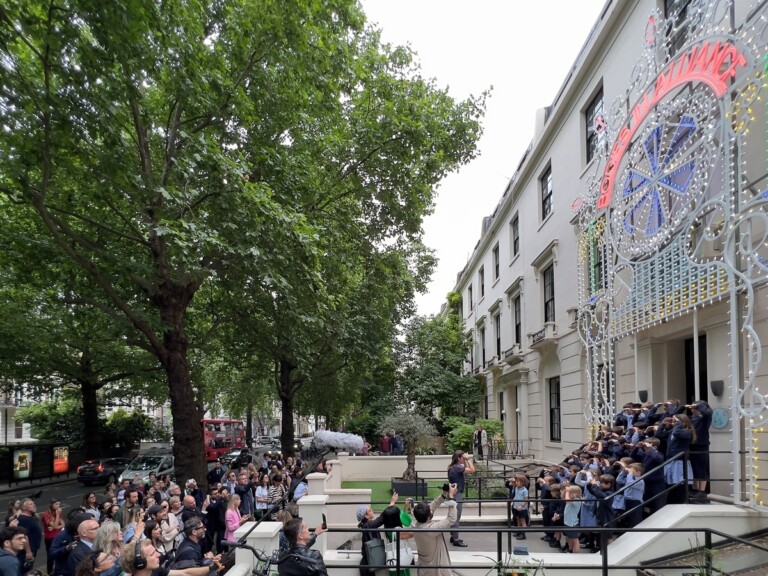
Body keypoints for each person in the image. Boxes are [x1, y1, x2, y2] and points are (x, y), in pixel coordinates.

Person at [410, 483, 458, 576]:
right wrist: (451, 497)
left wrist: (444, 494)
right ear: (429, 516)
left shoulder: (415, 522)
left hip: (423, 569)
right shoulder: (431, 530)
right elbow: (451, 519)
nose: (431, 508)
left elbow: (431, 507)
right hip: (436, 571)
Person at [356, 493, 400, 576]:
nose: (372, 511)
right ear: (366, 516)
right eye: (370, 510)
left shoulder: (367, 525)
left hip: (369, 562)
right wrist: (392, 503)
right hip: (368, 565)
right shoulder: (368, 525)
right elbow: (381, 519)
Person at [119, 538, 211, 576]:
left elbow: (185, 572)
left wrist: (212, 567)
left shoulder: (154, 571)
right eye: (152, 554)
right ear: (140, 563)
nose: (158, 554)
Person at [446, 449, 474, 547]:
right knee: (456, 517)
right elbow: (472, 470)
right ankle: (456, 539)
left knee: (453, 516)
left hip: (452, 494)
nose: (464, 458)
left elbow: (465, 470)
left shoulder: (452, 467)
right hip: (456, 494)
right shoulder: (458, 467)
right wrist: (469, 459)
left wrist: (465, 460)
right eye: (463, 457)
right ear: (459, 458)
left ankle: (453, 536)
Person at [688, 400, 713, 495]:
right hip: (691, 446)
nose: (693, 410)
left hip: (702, 445)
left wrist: (699, 405)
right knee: (693, 468)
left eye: (695, 409)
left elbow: (708, 412)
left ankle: (702, 491)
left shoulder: (704, 419)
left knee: (702, 468)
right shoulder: (691, 419)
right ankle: (694, 489)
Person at [16, 499, 41, 574]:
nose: (34, 505)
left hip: (33, 549)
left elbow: (37, 518)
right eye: (30, 504)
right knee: (26, 571)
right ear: (23, 507)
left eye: (34, 503)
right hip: (27, 552)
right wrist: (28, 551)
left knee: (29, 568)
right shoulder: (23, 519)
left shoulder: (30, 517)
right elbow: (24, 536)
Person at [42, 498, 65, 574]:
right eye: (56, 504)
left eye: (59, 504)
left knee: (60, 553)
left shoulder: (58, 513)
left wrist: (55, 527)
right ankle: (49, 572)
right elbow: (55, 525)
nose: (58, 506)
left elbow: (63, 524)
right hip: (50, 537)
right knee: (50, 556)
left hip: (58, 535)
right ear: (51, 505)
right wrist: (57, 515)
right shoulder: (46, 514)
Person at [563, 485, 582, 554]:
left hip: (572, 523)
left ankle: (576, 554)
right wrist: (566, 491)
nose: (568, 494)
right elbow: (564, 497)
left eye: (570, 492)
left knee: (575, 540)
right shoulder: (572, 499)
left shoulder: (576, 500)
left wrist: (568, 491)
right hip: (568, 522)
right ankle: (570, 550)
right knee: (570, 538)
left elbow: (567, 501)